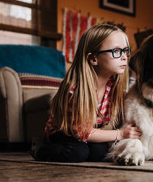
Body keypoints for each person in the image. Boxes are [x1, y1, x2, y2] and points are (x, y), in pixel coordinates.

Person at [34, 24, 142, 162]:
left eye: (126, 50)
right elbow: (82, 132)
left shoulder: (113, 88)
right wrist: (120, 134)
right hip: (63, 132)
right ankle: (40, 150)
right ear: (93, 59)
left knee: (101, 152)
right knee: (78, 153)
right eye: (116, 51)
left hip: (86, 132)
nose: (124, 57)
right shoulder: (76, 90)